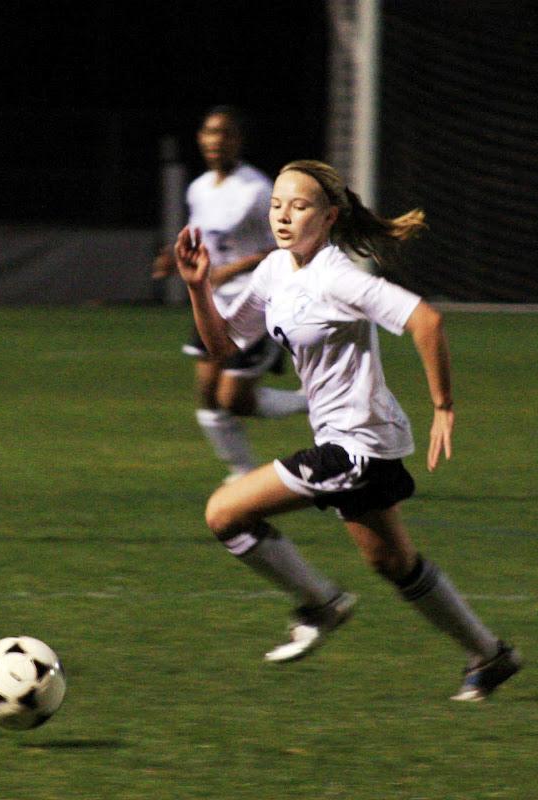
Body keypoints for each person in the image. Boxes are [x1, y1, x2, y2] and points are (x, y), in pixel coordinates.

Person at [173, 158, 521, 701]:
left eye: (300, 206)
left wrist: (444, 405)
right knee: (393, 564)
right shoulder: (275, 271)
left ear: (330, 216)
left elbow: (425, 320)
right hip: (355, 444)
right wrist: (198, 288)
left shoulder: (338, 277)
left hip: (354, 448)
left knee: (225, 511)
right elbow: (224, 348)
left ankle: (321, 604)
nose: (284, 215)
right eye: (277, 205)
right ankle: (491, 656)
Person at [153, 106, 307, 483]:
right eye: (208, 132)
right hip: (213, 304)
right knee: (208, 399)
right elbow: (208, 238)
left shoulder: (257, 190)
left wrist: (231, 270)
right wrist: (175, 259)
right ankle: (242, 472)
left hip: (256, 302)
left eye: (224, 133)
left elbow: (286, 245)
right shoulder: (199, 188)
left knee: (234, 401)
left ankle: (312, 401)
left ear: (238, 140)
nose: (215, 140)